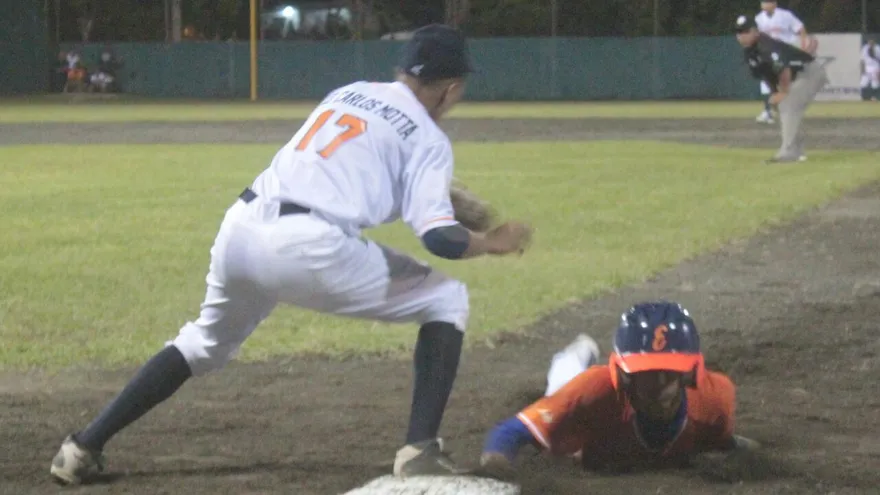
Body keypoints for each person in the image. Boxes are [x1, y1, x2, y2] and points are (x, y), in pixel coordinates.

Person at [49, 23, 533, 486]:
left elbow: (350, 164)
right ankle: (420, 451)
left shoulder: (348, 92)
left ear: (406, 70)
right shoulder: (429, 138)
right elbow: (439, 240)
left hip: (241, 228)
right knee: (446, 301)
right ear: (449, 88)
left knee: (204, 342)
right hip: (309, 246)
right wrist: (491, 242)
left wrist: (441, 199)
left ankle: (83, 448)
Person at [479, 301, 759, 476]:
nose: (660, 384)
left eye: (669, 371)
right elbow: (511, 432)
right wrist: (497, 467)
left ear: (689, 372)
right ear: (625, 375)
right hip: (584, 404)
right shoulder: (595, 393)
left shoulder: (715, 397)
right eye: (647, 373)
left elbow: (721, 441)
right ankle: (574, 356)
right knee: (561, 393)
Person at [735, 14, 828, 164]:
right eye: (738, 32)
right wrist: (775, 93)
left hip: (809, 72)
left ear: (754, 31)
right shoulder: (749, 52)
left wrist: (783, 93)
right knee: (783, 105)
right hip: (796, 76)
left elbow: (783, 69)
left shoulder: (765, 45)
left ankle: (789, 152)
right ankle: (796, 151)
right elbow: (767, 75)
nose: (740, 36)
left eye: (744, 32)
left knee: (788, 103)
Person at [753, 1, 814, 124]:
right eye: (763, 2)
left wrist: (803, 46)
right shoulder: (758, 19)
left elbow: (800, 28)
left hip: (784, 52)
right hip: (769, 54)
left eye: (768, 2)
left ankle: (775, 111)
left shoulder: (785, 15)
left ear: (775, 3)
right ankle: (769, 111)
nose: (764, 4)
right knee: (766, 82)